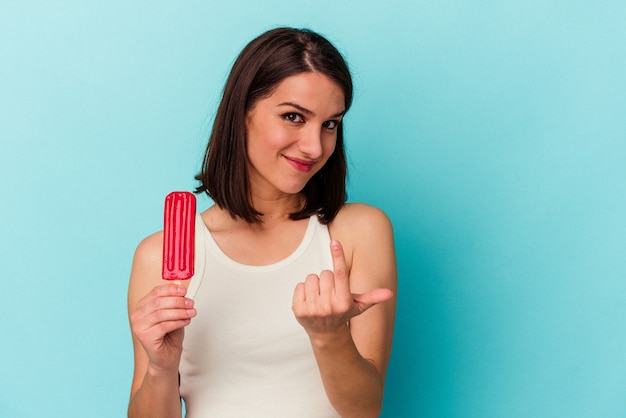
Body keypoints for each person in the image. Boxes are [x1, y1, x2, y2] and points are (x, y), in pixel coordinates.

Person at [127, 27, 397, 418]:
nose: (315, 147)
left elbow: (365, 410)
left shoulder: (358, 232)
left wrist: (329, 337)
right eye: (293, 117)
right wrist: (160, 368)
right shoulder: (159, 256)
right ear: (242, 113)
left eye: (330, 124)